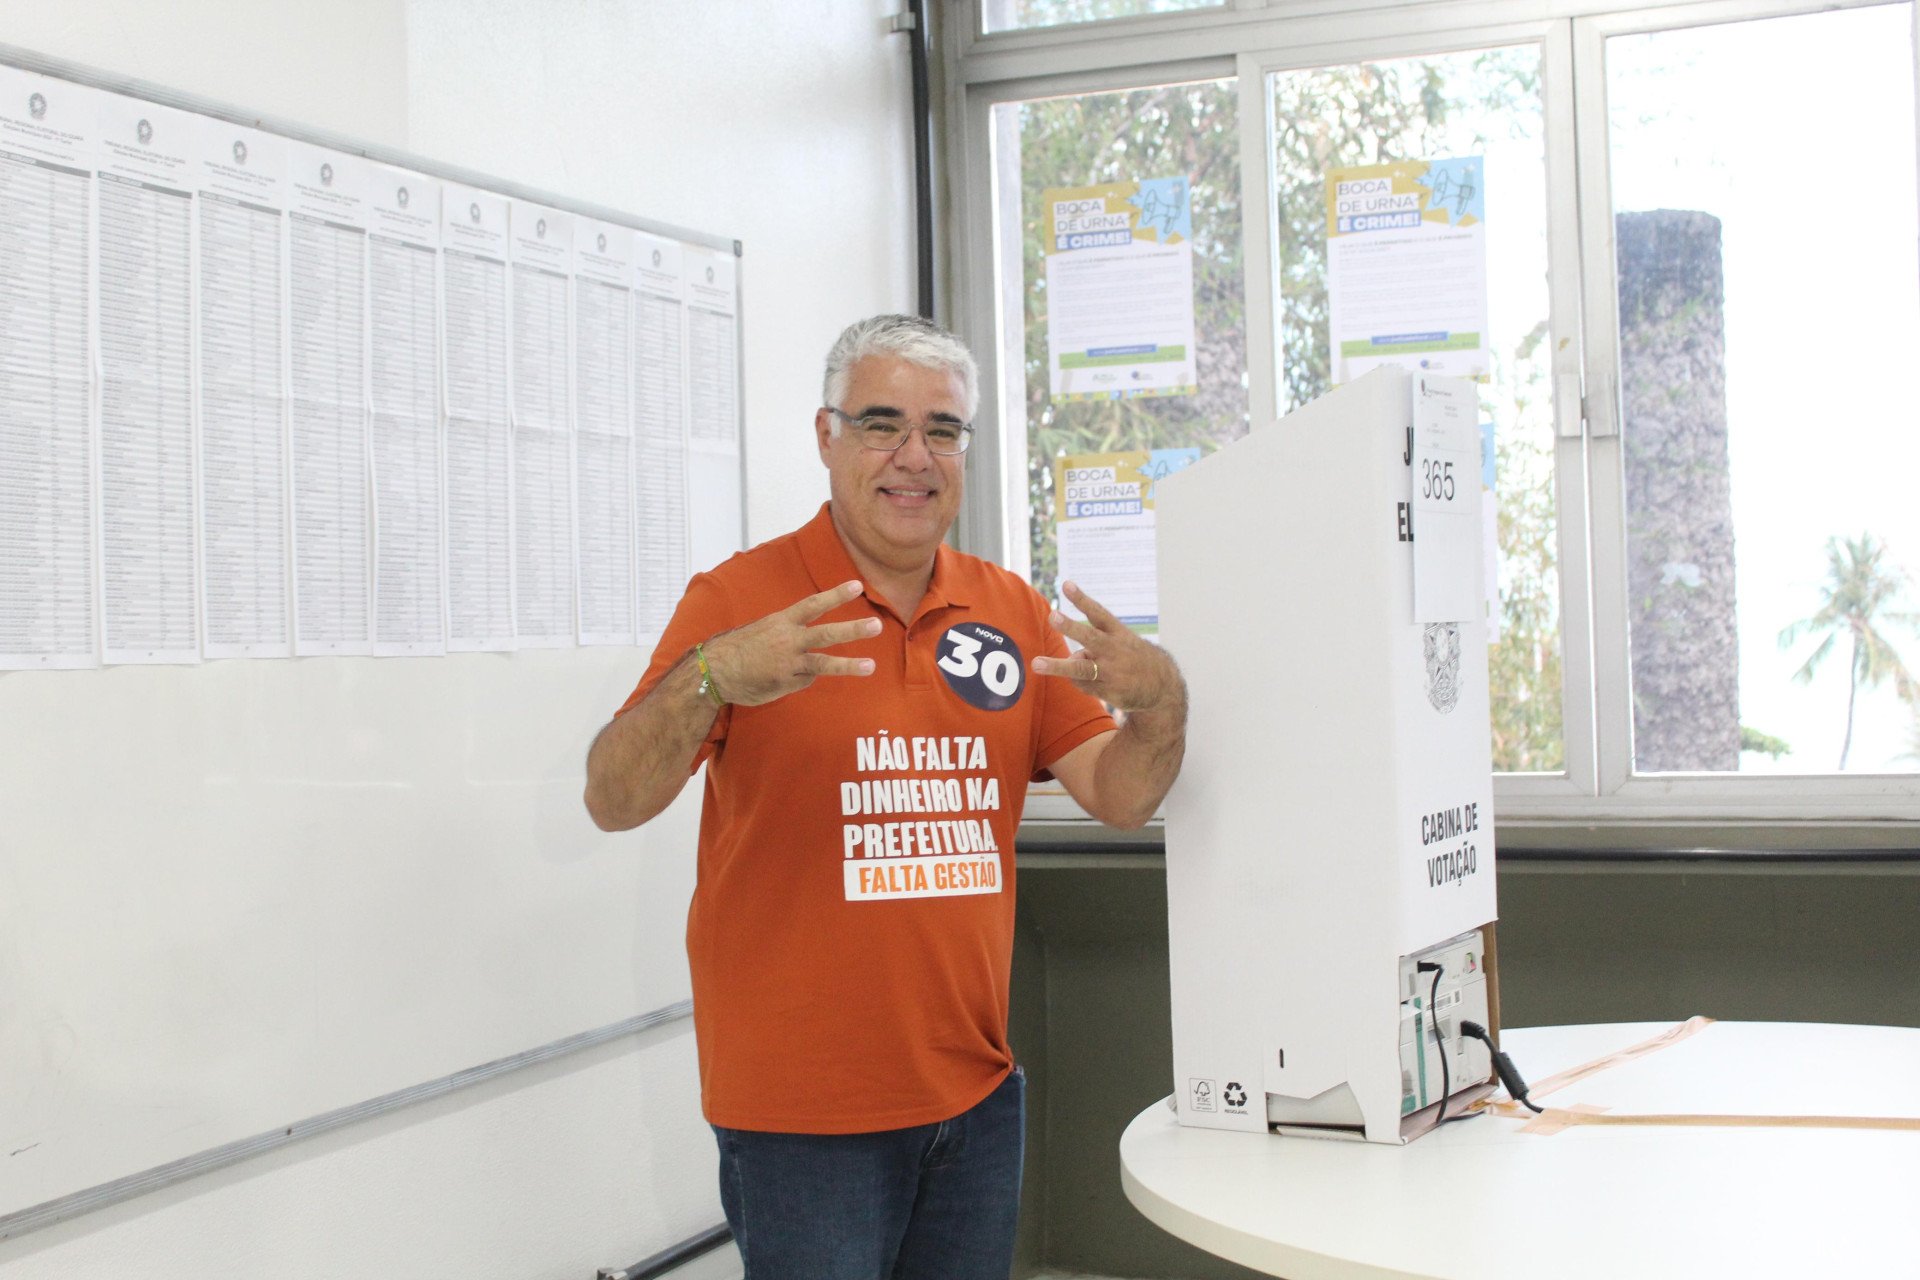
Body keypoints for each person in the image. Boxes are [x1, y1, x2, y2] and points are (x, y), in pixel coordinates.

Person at [584, 314, 1187, 1279]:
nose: (914, 457)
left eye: (942, 430)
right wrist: (712, 677)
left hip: (976, 1102)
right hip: (802, 1124)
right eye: (881, 424)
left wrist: (1160, 708)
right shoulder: (740, 602)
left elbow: (1118, 796)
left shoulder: (1009, 610)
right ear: (827, 439)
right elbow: (611, 799)